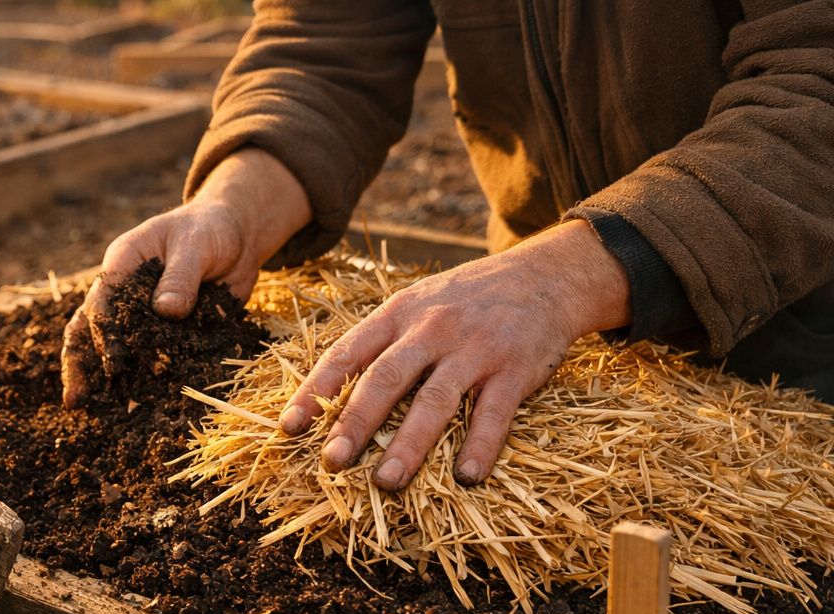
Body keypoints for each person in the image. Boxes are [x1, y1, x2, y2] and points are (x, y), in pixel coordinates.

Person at [61, 1, 834, 492]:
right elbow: (327, 39)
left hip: (805, 344)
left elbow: (817, 79)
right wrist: (235, 199)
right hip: (553, 339)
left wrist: (556, 282)